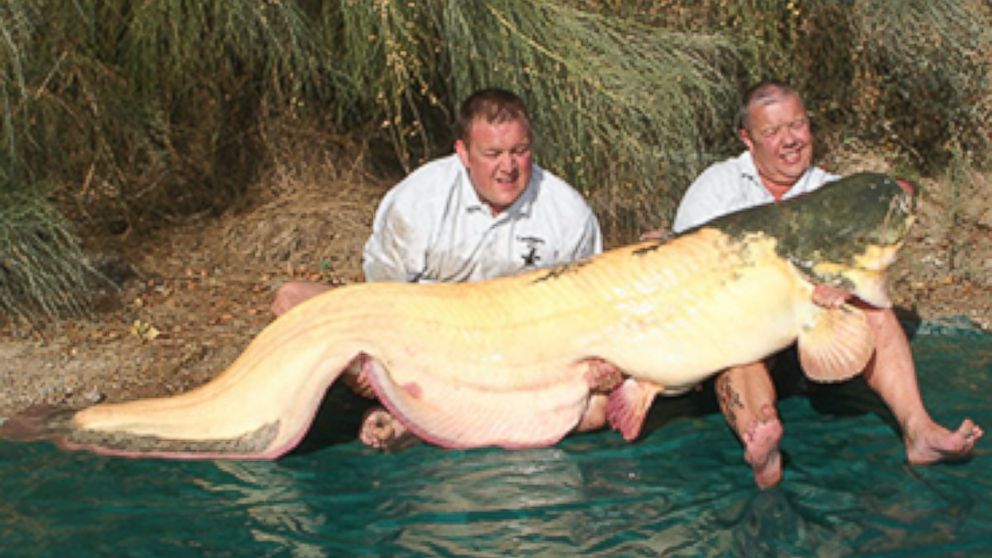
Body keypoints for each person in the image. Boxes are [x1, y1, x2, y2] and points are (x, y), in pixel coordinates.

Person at [670, 80, 983, 488]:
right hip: (742, 335)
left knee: (876, 309)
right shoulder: (715, 187)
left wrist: (851, 284)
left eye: (797, 125)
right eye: (772, 132)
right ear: (747, 139)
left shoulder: (832, 191)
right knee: (739, 355)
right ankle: (761, 442)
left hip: (815, 341)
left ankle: (919, 430)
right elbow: (682, 276)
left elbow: (895, 210)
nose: (790, 141)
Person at [270, 87, 607, 446]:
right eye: (492, 153)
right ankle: (411, 406)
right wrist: (366, 365)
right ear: (463, 152)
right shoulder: (418, 200)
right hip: (420, 347)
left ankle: (414, 422)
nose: (507, 167)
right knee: (293, 299)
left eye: (519, 152)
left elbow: (589, 309)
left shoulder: (568, 213)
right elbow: (380, 300)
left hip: (515, 358)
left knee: (595, 410)